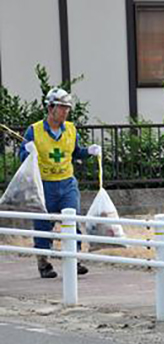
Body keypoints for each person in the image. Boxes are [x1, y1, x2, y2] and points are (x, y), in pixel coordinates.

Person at [18, 87, 102, 279]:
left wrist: (88, 151)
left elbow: (75, 152)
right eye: (62, 107)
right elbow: (22, 157)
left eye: (67, 108)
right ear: (51, 108)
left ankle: (74, 259)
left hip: (67, 183)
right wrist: (27, 151)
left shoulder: (71, 129)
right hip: (44, 185)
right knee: (43, 224)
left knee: (71, 220)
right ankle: (43, 261)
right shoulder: (35, 131)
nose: (65, 111)